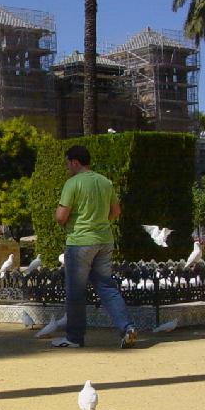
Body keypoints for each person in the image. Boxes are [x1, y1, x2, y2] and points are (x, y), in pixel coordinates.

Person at [51, 145, 136, 349]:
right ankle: (127, 328)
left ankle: (74, 337)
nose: (67, 167)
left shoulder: (73, 183)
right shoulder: (105, 181)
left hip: (80, 241)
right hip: (104, 240)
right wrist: (100, 223)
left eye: (67, 163)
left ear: (75, 162)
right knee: (107, 286)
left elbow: (61, 216)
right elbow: (116, 211)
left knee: (75, 292)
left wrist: (66, 222)